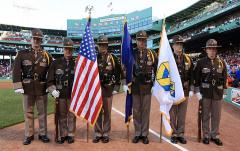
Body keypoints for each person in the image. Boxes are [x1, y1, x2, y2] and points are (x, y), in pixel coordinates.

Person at [12, 28, 53, 145]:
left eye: (39, 39)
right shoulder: (22, 54)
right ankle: (29, 134)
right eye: (34, 39)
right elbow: (16, 70)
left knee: (42, 112)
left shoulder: (47, 56)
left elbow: (50, 73)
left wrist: (49, 86)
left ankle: (43, 133)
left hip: (41, 87)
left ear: (41, 41)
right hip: (27, 87)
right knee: (28, 113)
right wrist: (18, 85)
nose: (36, 41)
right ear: (31, 39)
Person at [194, 39, 227, 146]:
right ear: (206, 50)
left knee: (216, 116)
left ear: (216, 50)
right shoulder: (200, 62)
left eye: (214, 49)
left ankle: (215, 135)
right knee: (205, 115)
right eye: (210, 49)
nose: (212, 51)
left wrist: (224, 91)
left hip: (218, 93)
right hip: (205, 93)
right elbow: (196, 79)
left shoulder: (222, 62)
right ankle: (206, 135)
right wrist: (197, 92)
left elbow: (225, 78)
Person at [47, 38, 76, 144]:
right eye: (66, 49)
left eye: (70, 49)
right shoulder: (56, 63)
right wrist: (53, 90)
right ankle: (63, 134)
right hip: (60, 94)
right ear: (63, 49)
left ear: (72, 50)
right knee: (62, 115)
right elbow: (49, 81)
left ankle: (71, 134)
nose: (68, 51)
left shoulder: (77, 63)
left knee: (71, 115)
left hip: (73, 94)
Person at [92, 35, 121, 143]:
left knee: (107, 113)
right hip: (96, 90)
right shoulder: (93, 57)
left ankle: (106, 134)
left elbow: (118, 73)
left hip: (108, 89)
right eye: (100, 45)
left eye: (104, 45)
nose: (102, 47)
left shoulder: (113, 58)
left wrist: (116, 87)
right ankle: (98, 133)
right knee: (97, 112)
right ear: (98, 46)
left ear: (107, 46)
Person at [130, 30, 158, 144]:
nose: (142, 42)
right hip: (135, 87)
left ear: (146, 41)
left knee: (145, 111)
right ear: (136, 41)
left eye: (144, 40)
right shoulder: (132, 54)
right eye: (140, 40)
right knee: (136, 111)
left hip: (147, 87)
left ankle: (144, 134)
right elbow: (126, 70)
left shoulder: (152, 53)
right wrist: (127, 83)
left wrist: (155, 84)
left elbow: (157, 70)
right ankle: (137, 133)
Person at [169, 35, 194, 144]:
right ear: (173, 46)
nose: (179, 46)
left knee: (182, 113)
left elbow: (192, 75)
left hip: (185, 90)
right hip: (173, 90)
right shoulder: (168, 59)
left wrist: (192, 88)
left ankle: (180, 134)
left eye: (181, 44)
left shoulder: (188, 59)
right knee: (173, 113)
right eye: (177, 44)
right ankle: (174, 133)